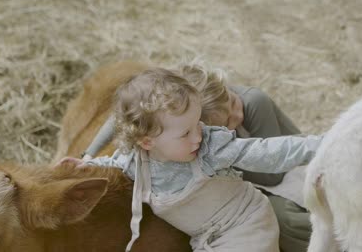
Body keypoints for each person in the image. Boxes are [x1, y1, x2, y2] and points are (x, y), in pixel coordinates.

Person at [78, 68, 322, 252]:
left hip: (244, 227)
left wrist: (323, 144)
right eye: (186, 132)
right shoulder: (136, 159)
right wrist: (86, 163)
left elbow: (269, 151)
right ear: (146, 142)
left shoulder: (208, 147)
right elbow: (114, 160)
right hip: (205, 237)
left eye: (199, 124)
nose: (198, 135)